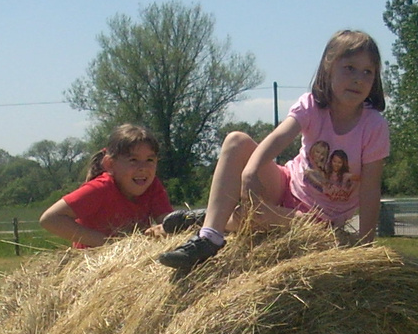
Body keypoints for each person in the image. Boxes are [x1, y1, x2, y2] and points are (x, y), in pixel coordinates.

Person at [158, 30, 389, 274]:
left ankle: (210, 218)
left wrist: (365, 247)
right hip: (285, 185)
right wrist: (250, 172)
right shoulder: (312, 106)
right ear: (328, 68)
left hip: (319, 220)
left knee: (260, 217)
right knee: (236, 141)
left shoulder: (374, 126)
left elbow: (371, 189)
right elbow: (277, 139)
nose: (358, 79)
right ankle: (209, 237)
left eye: (368, 72)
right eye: (350, 68)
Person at [40, 124, 176, 248]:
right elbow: (50, 219)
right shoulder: (100, 189)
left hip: (131, 262)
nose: (143, 168)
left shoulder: (152, 186)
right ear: (110, 164)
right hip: (93, 266)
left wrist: (164, 228)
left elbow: (169, 222)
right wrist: (110, 244)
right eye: (133, 160)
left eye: (150, 160)